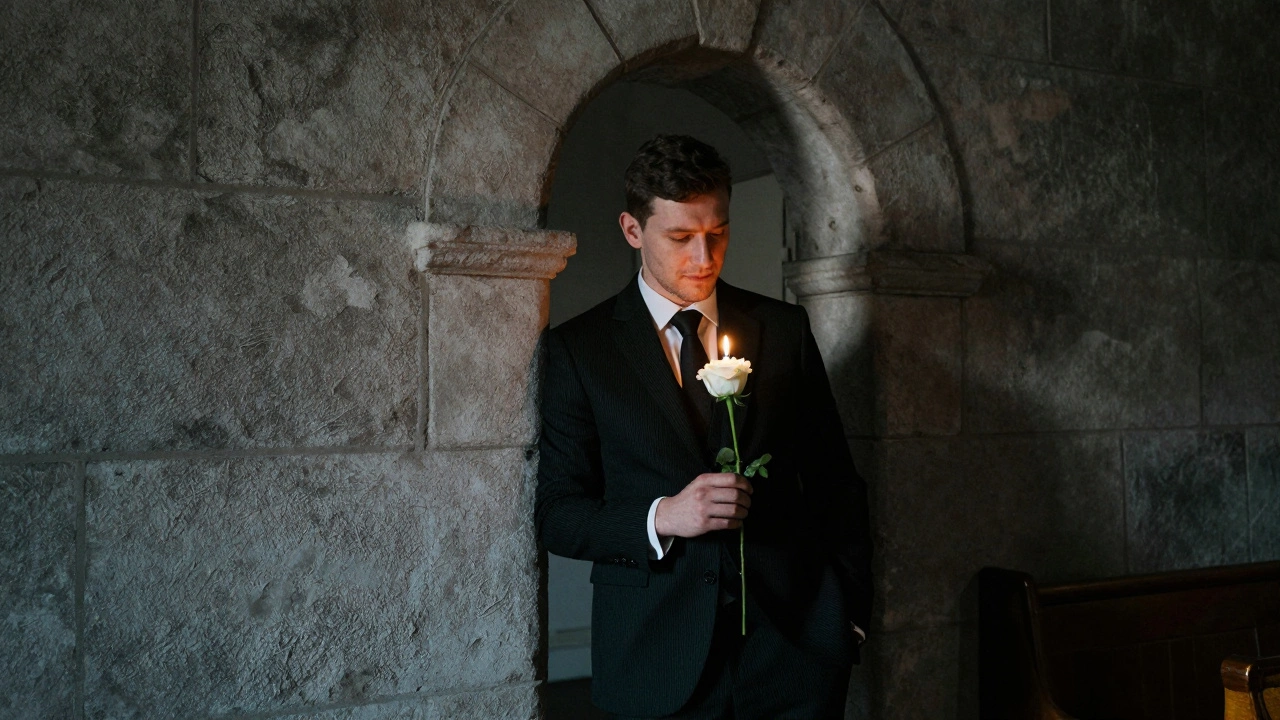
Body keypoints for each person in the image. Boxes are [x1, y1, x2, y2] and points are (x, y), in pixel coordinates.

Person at [535, 134, 872, 719]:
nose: (703, 257)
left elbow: (834, 481)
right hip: (655, 657)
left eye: (717, 233)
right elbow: (559, 515)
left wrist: (849, 619)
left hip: (794, 654)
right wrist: (663, 516)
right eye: (680, 237)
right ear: (632, 230)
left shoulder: (784, 329)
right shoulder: (578, 350)